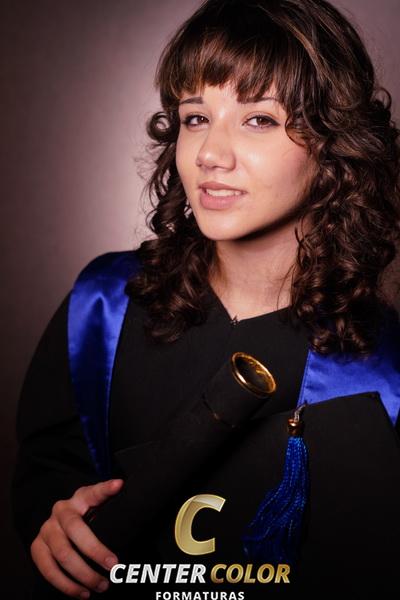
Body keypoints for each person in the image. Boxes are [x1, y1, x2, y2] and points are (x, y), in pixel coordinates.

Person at [12, 0, 400, 598]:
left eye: (259, 119)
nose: (211, 154)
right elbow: (46, 475)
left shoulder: (381, 373)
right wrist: (58, 526)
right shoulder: (103, 307)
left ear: (333, 141)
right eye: (196, 117)